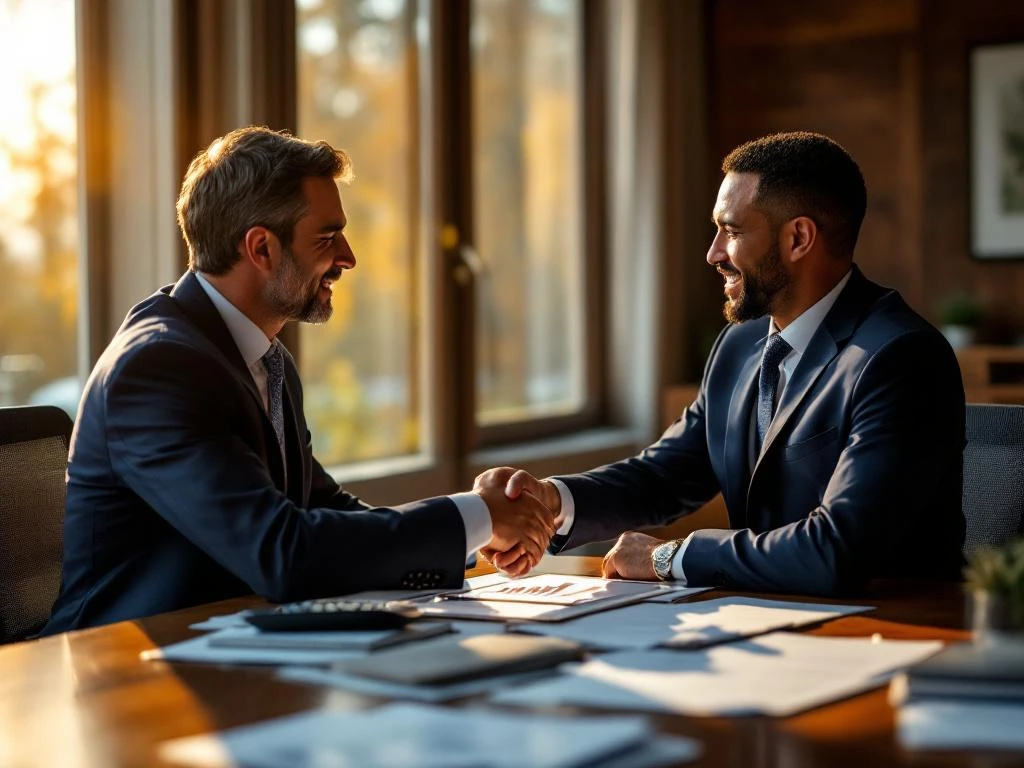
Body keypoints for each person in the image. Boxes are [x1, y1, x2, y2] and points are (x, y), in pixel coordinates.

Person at [44, 127, 554, 633]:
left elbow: (325, 511)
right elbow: (283, 552)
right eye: (328, 237)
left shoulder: (267, 361)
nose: (348, 257)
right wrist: (473, 515)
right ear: (261, 248)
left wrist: (473, 532)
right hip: (118, 677)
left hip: (223, 655)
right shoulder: (156, 369)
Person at [477, 131, 966, 596]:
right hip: (760, 622)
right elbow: (666, 475)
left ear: (798, 239)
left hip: (892, 630)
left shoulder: (900, 358)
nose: (712, 253)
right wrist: (550, 502)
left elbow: (837, 549)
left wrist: (670, 558)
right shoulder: (740, 345)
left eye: (730, 231)